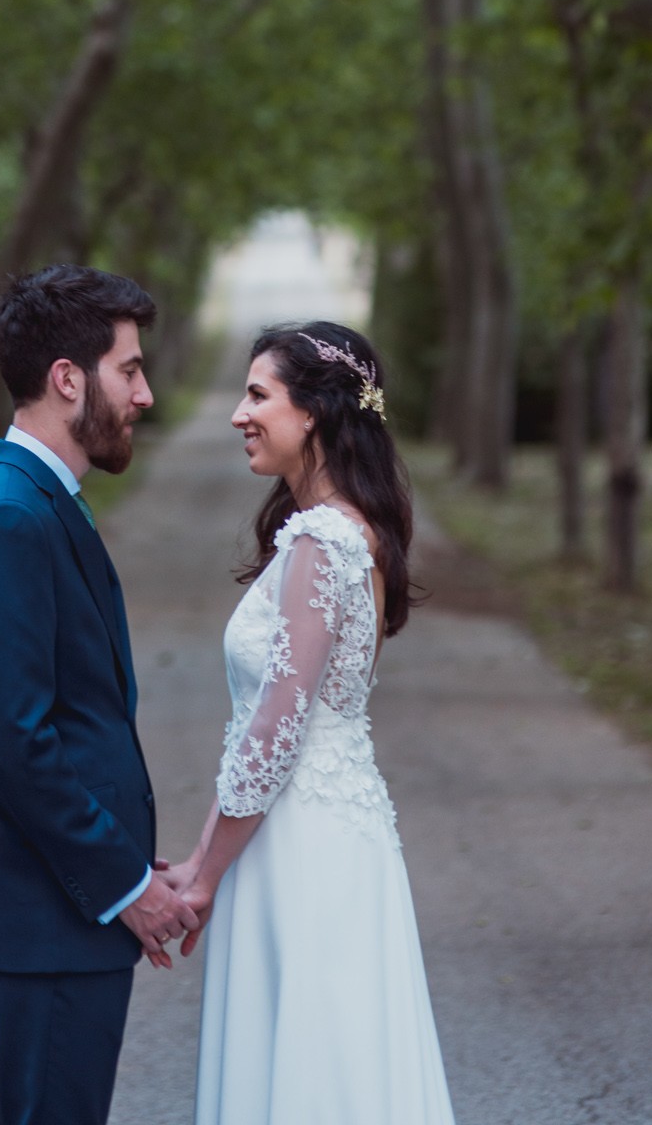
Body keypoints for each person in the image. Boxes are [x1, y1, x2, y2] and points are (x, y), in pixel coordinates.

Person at [166, 320, 457, 1125]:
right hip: (318, 831)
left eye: (258, 395)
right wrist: (199, 858)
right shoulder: (337, 533)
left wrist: (207, 872)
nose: (238, 414)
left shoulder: (322, 542)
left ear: (317, 413)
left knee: (311, 1071)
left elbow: (274, 731)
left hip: (302, 846)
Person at [0, 264, 198, 1125]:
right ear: (66, 378)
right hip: (43, 915)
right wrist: (123, 882)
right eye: (129, 369)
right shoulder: (10, 516)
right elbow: (16, 741)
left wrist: (125, 865)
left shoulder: (45, 502)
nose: (145, 393)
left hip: (61, 907)